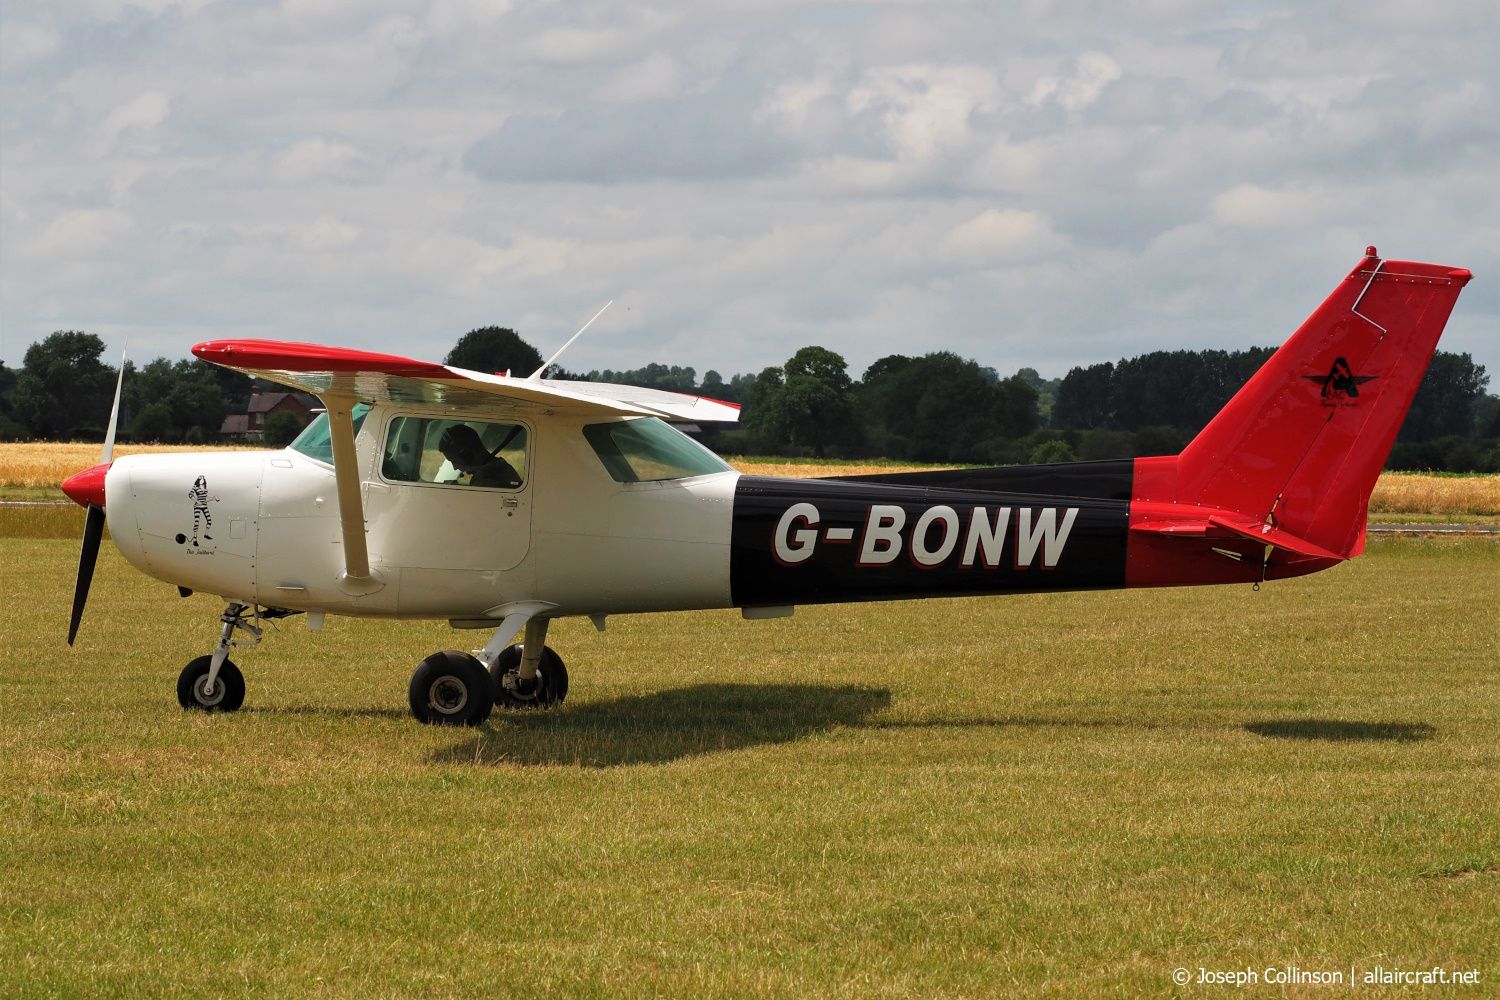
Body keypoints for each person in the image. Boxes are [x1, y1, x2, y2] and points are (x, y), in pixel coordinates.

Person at [437, 424, 522, 488]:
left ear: (466, 453)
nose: (455, 467)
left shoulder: (484, 481)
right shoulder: (499, 466)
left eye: (453, 460)